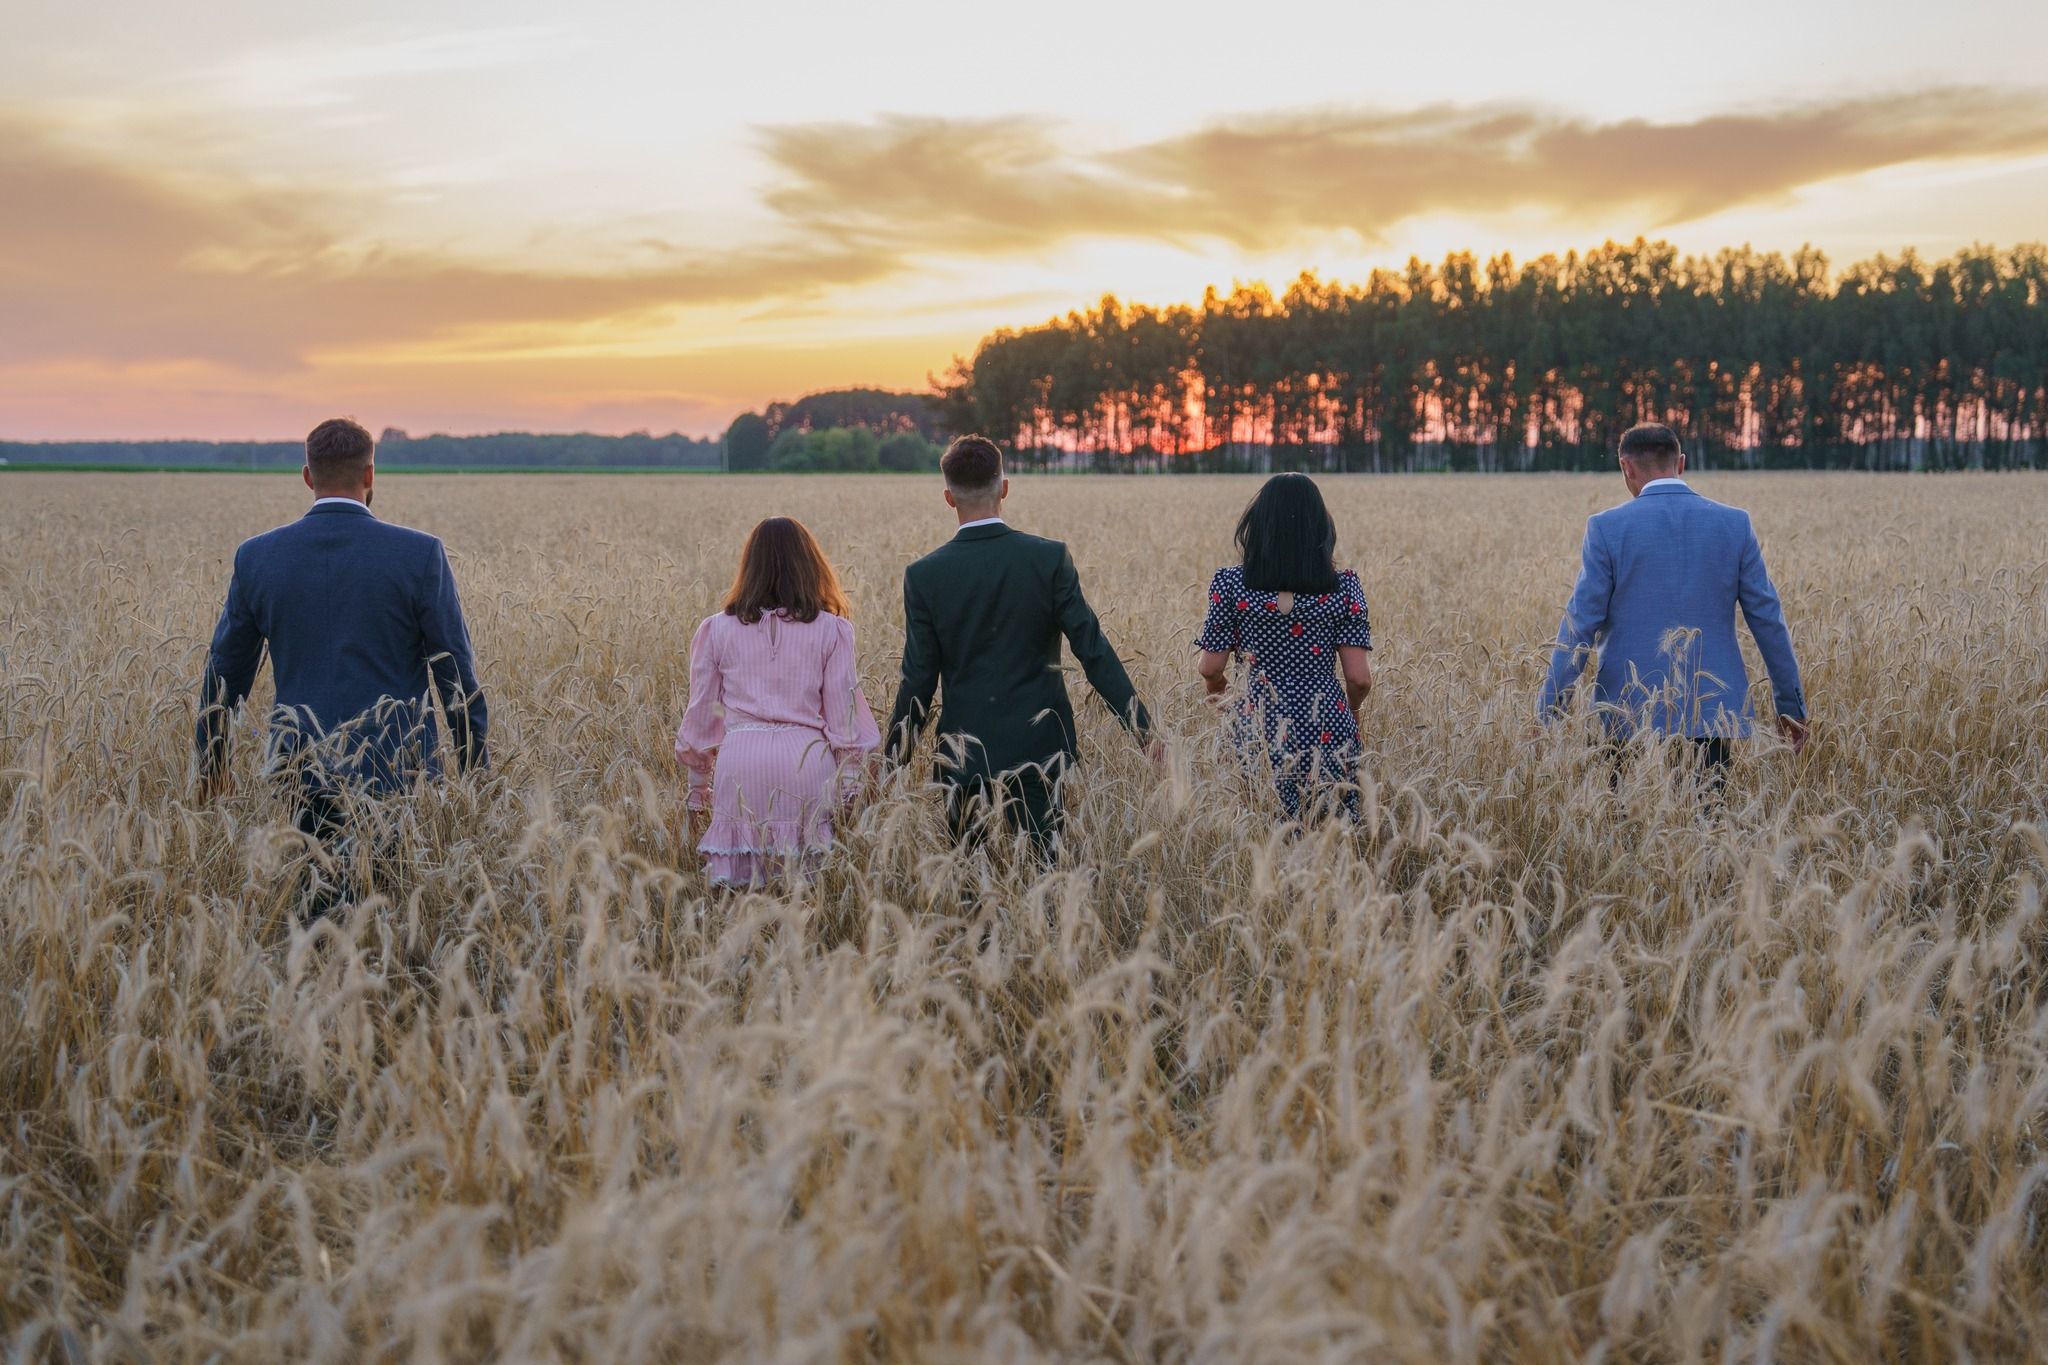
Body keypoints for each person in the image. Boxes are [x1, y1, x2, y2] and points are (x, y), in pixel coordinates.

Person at [196, 417, 488, 916]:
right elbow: (455, 674)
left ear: (307, 476)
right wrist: (476, 768)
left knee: (313, 910)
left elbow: (224, 675)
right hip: (397, 770)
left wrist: (211, 763)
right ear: (370, 474)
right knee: (394, 913)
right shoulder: (419, 555)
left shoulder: (258, 557)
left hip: (298, 767)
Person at [885, 435, 1152, 858]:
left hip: (964, 753)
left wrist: (891, 763)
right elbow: (1093, 650)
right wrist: (1144, 731)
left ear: (948, 497)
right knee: (1047, 877)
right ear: (1004, 487)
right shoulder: (1049, 559)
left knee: (971, 885)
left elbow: (917, 679)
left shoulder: (925, 576)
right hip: (1040, 749)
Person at [1538, 422, 1809, 769]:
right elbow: (1769, 621)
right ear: (1680, 464)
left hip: (1626, 713)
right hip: (1712, 712)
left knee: (1626, 821)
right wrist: (1791, 707)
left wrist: (1549, 713)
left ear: (1626, 467)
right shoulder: (1735, 524)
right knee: (1706, 819)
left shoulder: (1605, 528)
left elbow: (1579, 627)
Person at [675, 517, 881, 887]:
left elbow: (701, 715)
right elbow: (844, 719)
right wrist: (850, 788)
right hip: (806, 767)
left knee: (737, 895)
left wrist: (697, 790)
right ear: (809, 564)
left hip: (740, 768)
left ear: (749, 567)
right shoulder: (832, 630)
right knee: (806, 895)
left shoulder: (716, 629)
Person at [1195, 473, 1374, 820]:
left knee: (1263, 833)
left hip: (1256, 727)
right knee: (1333, 840)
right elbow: (1359, 679)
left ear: (1258, 527)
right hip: (1328, 724)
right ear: (1320, 530)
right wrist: (1350, 712)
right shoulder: (1344, 588)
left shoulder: (1230, 584)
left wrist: (1226, 703)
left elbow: (1210, 668)